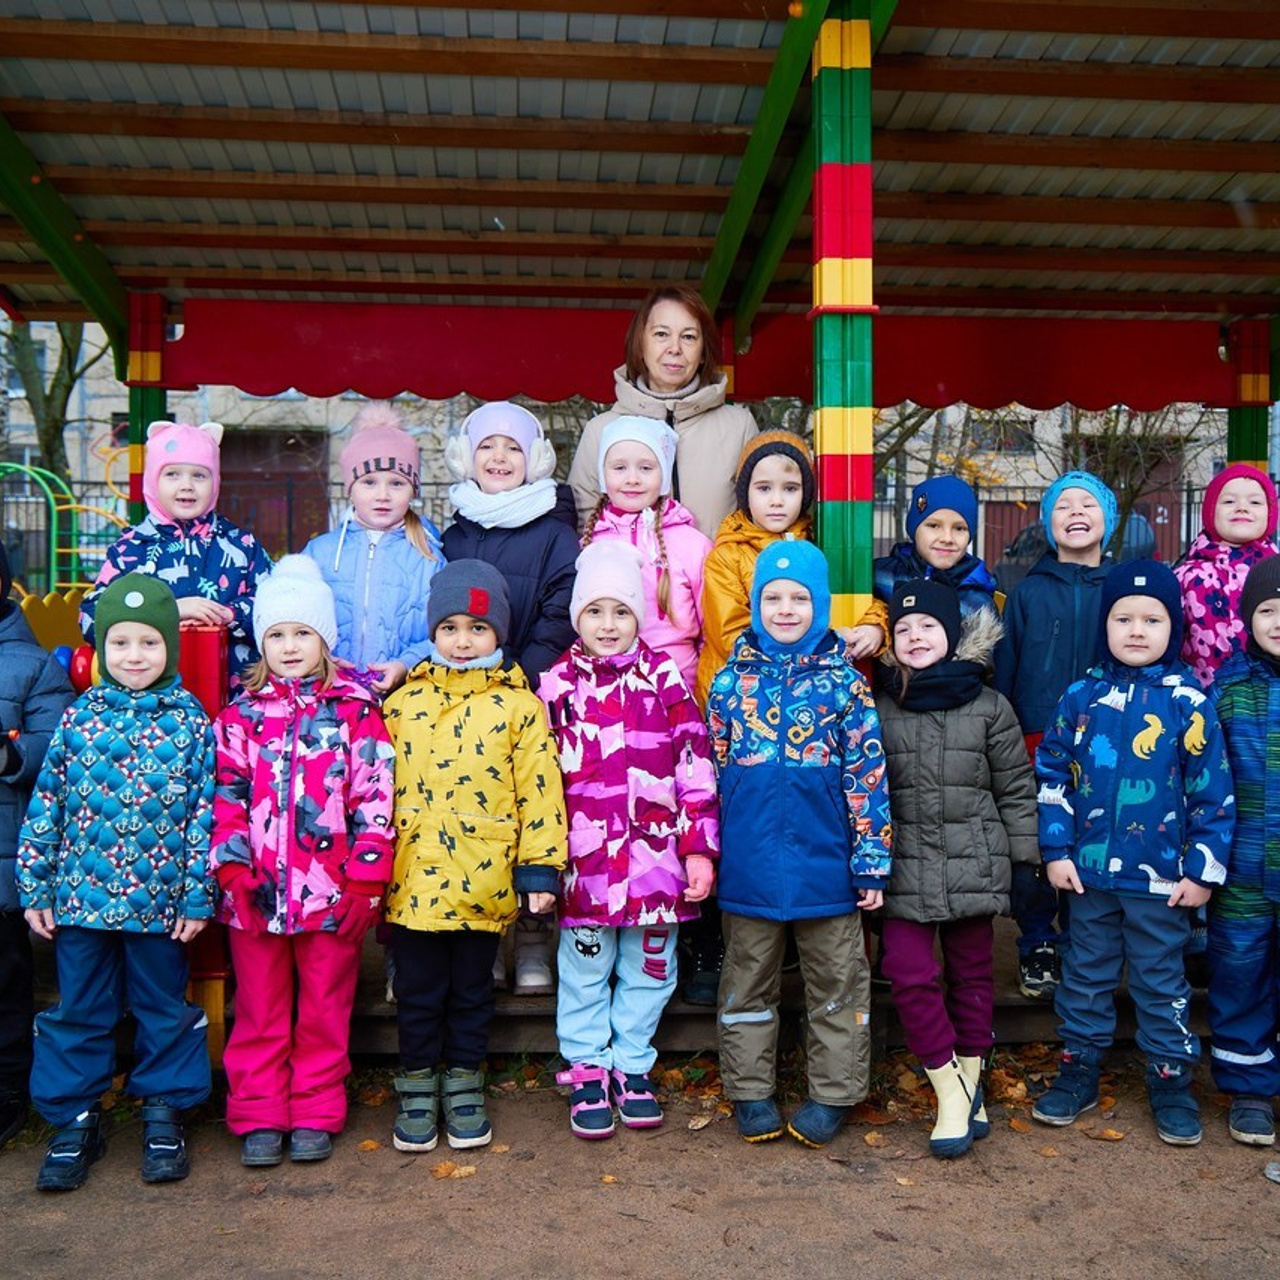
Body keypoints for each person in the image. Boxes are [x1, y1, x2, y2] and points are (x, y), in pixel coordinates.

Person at [17, 574, 216, 1191]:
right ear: (101, 650)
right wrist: (36, 886)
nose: (135, 656)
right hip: (81, 902)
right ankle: (74, 1117)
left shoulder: (191, 725)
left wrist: (195, 893)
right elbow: (47, 805)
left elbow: (205, 818)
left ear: (171, 652)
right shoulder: (79, 720)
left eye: (150, 644)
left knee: (163, 1008)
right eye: (122, 643)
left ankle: (164, 1110)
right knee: (79, 1010)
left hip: (160, 905)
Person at [1031, 560, 1235, 1146]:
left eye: (1152, 618)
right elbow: (1052, 777)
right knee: (1085, 972)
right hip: (1087, 875)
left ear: (1174, 627)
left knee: (1160, 978)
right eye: (1124, 618)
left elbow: (1213, 793)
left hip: (1162, 880)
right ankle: (1079, 1068)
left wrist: (1202, 870)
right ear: (1107, 625)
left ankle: (1170, 1076)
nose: (1138, 630)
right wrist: (1056, 849)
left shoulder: (1189, 702)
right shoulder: (1080, 698)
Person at [210, 556, 395, 1167]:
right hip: (255, 896)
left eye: (303, 633)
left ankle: (314, 1106)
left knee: (323, 1006)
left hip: (331, 893)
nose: (290, 646)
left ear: (325, 639)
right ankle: (260, 1110)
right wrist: (233, 870)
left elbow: (374, 795)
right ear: (262, 642)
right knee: (260, 1009)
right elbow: (225, 795)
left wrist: (368, 875)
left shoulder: (356, 711)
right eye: (278, 634)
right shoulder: (239, 717)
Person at [708, 541, 892, 1147]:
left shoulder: (846, 686)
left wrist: (869, 859)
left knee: (838, 984)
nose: (786, 609)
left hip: (828, 867)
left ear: (820, 604)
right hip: (751, 864)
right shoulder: (731, 682)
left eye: (800, 598)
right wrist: (711, 854)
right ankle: (750, 1090)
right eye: (773, 597)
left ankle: (834, 1092)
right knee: (747, 982)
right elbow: (711, 772)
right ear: (757, 604)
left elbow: (867, 778)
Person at [382, 560, 567, 1153]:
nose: (464, 641)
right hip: (410, 878)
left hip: (482, 875)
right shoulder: (401, 703)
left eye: (478, 629)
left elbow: (540, 788)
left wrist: (539, 868)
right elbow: (372, 786)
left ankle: (463, 1080)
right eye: (452, 627)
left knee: (469, 989)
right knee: (416, 989)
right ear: (433, 632)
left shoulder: (519, 706)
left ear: (499, 634)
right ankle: (416, 1083)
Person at [537, 541, 719, 1139]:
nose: (608, 625)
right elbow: (538, 783)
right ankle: (587, 1066)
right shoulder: (556, 688)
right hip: (585, 865)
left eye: (621, 612)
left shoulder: (666, 681)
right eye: (595, 612)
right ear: (578, 618)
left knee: (650, 968)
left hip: (656, 863)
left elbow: (694, 764)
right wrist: (541, 861)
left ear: (639, 616)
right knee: (585, 969)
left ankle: (632, 1065)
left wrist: (697, 848)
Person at [877, 579, 1038, 1158]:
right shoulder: (881, 706)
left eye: (928, 626)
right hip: (904, 868)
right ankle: (950, 1086)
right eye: (904, 628)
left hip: (976, 862)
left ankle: (972, 1079)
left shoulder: (990, 706)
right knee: (911, 975)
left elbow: (1017, 789)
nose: (916, 636)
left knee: (972, 976)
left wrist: (1023, 859)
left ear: (952, 634)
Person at [442, 400, 579, 996]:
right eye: (487, 446)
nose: (499, 457)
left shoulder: (553, 530)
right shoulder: (453, 530)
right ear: (467, 457)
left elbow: (561, 606)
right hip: (462, 695)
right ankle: (484, 938)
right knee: (475, 813)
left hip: (528, 691)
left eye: (514, 447)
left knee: (529, 812)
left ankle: (530, 937)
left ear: (535, 459)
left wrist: (525, 672)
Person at [993, 471, 1119, 1001]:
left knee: (1093, 840)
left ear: (1106, 522)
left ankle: (1083, 943)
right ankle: (1038, 941)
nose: (1075, 512)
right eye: (1063, 505)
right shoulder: (1026, 592)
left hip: (1108, 737)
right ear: (1048, 523)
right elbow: (1006, 667)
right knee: (1037, 845)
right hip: (1037, 738)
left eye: (1088, 504)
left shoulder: (1119, 588)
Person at [79, 420, 272, 685]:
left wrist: (230, 615)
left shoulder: (242, 545)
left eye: (199, 475)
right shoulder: (131, 548)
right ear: (152, 480)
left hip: (236, 696)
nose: (187, 485)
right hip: (152, 701)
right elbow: (91, 617)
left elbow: (277, 609)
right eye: (172, 474)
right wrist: (168, 611)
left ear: (215, 482)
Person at [568, 284, 757, 538]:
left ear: (703, 352)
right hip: (630, 577)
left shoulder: (739, 427)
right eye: (661, 334)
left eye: (688, 337)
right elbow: (583, 524)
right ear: (640, 344)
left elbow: (759, 521)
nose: (675, 347)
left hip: (719, 577)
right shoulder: (601, 430)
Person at [0, 544, 75, 1150]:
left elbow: (51, 749)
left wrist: (10, 751)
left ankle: (7, 1090)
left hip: (3, 853)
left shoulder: (30, 665)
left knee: (4, 977)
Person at [1206, 555, 1280, 1145]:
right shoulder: (1227, 690)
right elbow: (1207, 778)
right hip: (1244, 869)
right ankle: (1249, 1087)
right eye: (1267, 610)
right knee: (1239, 974)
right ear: (1247, 617)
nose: (1278, 621)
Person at [304, 401, 444, 696]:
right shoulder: (319, 554)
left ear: (413, 490)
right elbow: (297, 620)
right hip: (330, 693)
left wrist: (406, 664)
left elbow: (445, 630)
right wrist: (322, 661)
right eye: (368, 482)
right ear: (350, 488)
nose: (382, 495)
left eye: (396, 483)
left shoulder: (430, 557)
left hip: (406, 696)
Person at [580, 416, 711, 694]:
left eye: (646, 468)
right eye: (619, 467)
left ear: (663, 474)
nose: (632, 479)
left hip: (677, 691)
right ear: (603, 475)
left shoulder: (692, 545)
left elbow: (709, 630)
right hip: (607, 693)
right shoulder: (592, 544)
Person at [1174, 462, 1278, 689]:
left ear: (1270, 513)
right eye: (1229, 501)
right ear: (1211, 510)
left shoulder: (1275, 574)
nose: (1241, 508)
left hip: (1266, 707)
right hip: (1200, 703)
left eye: (1255, 502)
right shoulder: (1186, 577)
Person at [872, 475, 999, 620]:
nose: (947, 538)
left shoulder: (978, 603)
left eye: (959, 528)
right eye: (934, 526)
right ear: (914, 529)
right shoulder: (879, 576)